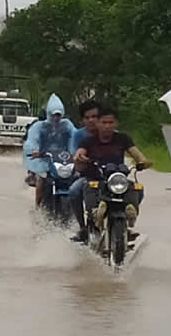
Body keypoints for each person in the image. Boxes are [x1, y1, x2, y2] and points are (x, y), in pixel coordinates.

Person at [71, 105, 152, 242]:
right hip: (94, 178)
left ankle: (128, 219)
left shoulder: (123, 138)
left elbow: (136, 154)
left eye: (110, 123)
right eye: (104, 122)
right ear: (97, 123)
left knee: (138, 188)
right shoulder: (88, 140)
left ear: (116, 123)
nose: (107, 126)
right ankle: (86, 224)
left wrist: (142, 161)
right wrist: (79, 157)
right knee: (75, 190)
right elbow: (79, 153)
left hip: (117, 179)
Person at [22, 94, 77, 207]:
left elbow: (75, 137)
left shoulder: (67, 125)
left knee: (77, 179)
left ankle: (77, 206)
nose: (56, 118)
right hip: (45, 159)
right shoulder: (39, 126)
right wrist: (35, 150)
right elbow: (31, 140)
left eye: (58, 115)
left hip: (63, 160)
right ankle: (37, 206)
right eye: (53, 115)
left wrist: (76, 152)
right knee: (41, 180)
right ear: (48, 114)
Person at [67, 100, 101, 241]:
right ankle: (83, 227)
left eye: (94, 116)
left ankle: (124, 224)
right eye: (87, 117)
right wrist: (80, 159)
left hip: (110, 175)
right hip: (87, 175)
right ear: (83, 120)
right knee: (74, 191)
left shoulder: (113, 134)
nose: (91, 120)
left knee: (135, 189)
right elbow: (75, 154)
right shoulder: (79, 136)